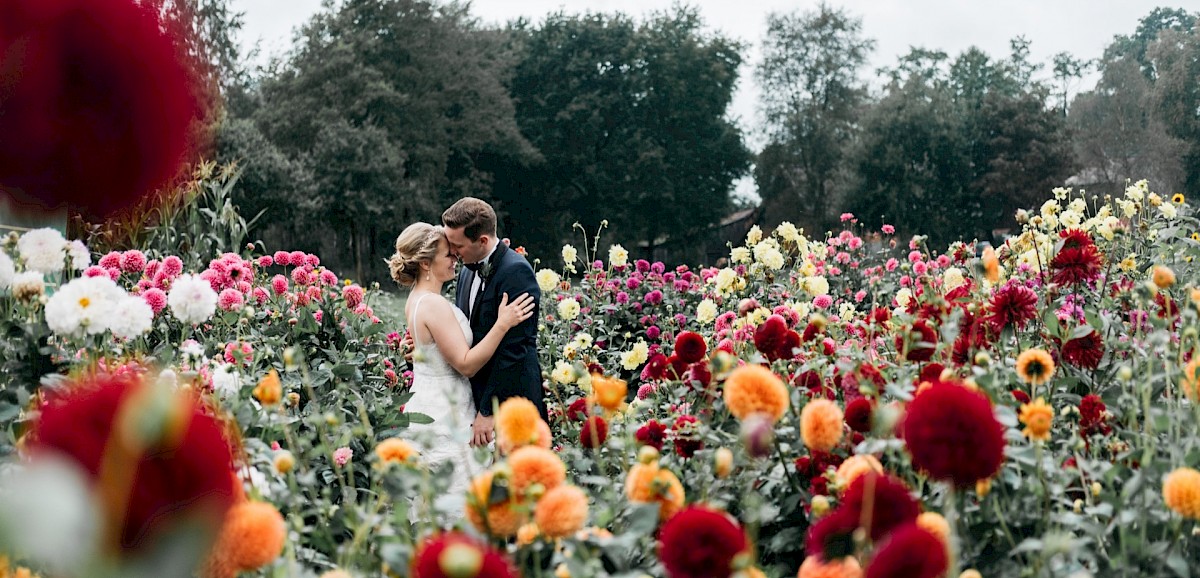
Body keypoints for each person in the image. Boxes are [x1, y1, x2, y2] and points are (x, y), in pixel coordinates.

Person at [388, 222, 535, 517]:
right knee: (459, 502)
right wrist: (503, 323)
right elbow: (466, 364)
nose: (455, 258)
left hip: (431, 400)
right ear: (427, 263)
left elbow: (430, 349)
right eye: (448, 255)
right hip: (446, 410)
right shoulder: (434, 305)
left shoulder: (417, 300)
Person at [441, 198, 547, 447]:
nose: (452, 253)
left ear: (483, 241)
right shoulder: (467, 268)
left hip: (512, 399)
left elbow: (514, 350)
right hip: (476, 395)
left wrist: (489, 410)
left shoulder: (517, 273)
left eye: (457, 246)